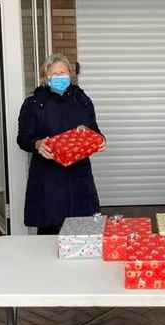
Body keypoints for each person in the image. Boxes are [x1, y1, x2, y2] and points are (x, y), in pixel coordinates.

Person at [17, 54, 105, 234]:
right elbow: (23, 138)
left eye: (63, 72)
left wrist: (99, 139)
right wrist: (37, 143)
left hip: (79, 176)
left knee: (82, 232)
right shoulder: (33, 103)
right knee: (49, 235)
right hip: (48, 178)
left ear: (70, 75)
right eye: (54, 73)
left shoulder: (82, 100)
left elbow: (94, 130)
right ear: (45, 77)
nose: (60, 77)